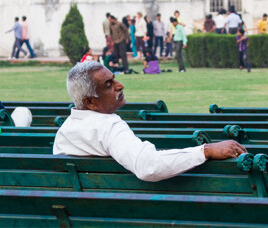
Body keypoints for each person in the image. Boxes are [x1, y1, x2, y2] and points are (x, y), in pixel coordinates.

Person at [53, 61, 247, 182]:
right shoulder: (108, 126)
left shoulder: (66, 130)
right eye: (108, 85)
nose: (120, 86)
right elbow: (148, 166)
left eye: (114, 79)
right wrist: (205, 150)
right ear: (90, 102)